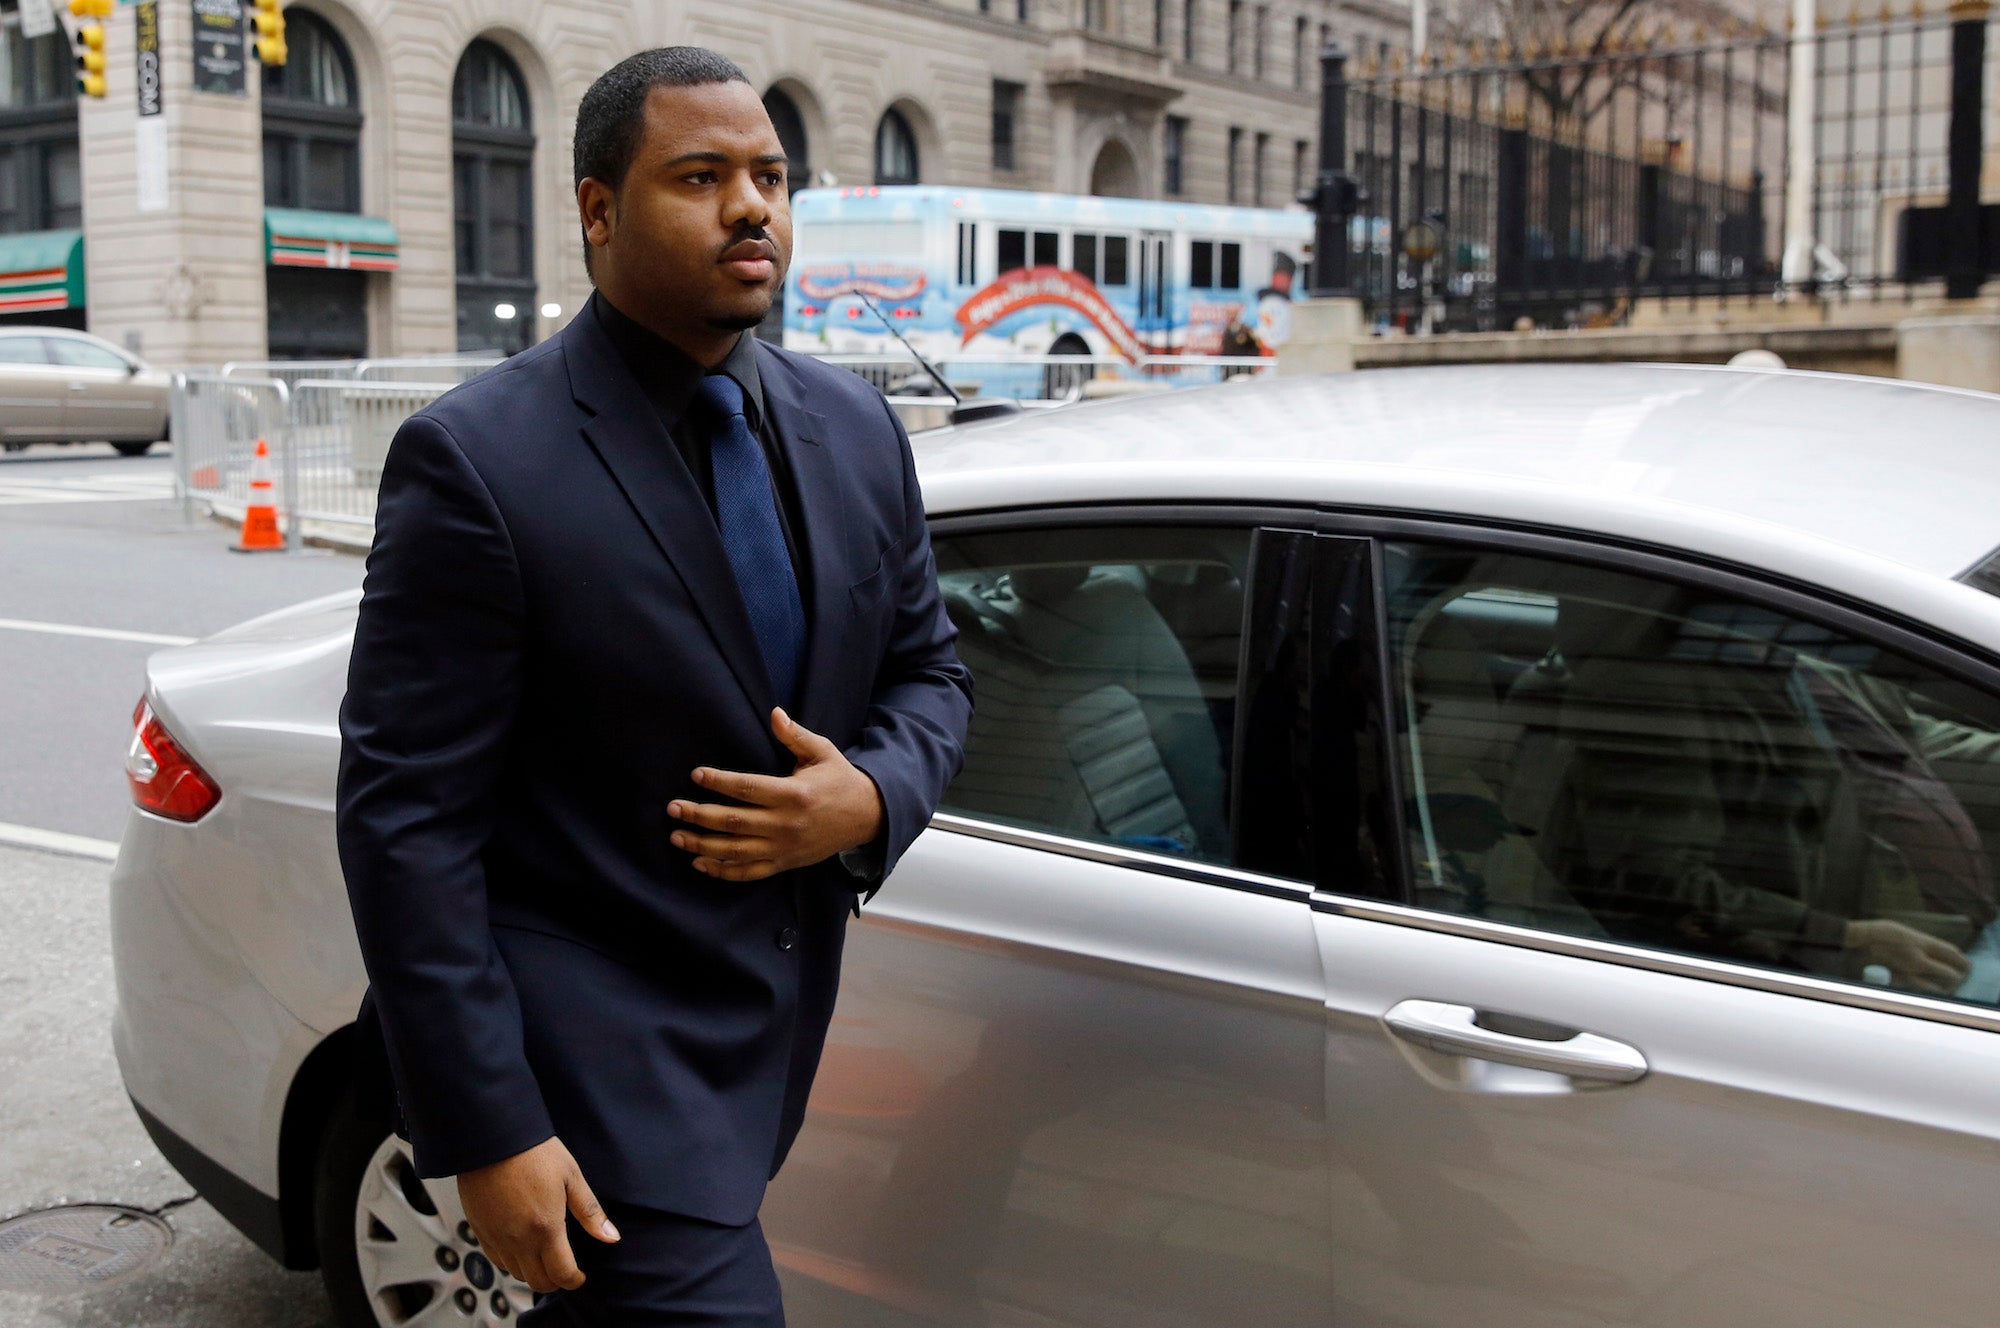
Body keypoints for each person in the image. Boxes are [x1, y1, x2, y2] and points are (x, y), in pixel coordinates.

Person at [335, 46, 972, 1326]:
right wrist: (487, 1126)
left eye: (770, 175)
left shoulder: (854, 429)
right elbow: (407, 821)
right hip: (591, 1063)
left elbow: (930, 671)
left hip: (771, 1042)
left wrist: (868, 798)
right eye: (702, 175)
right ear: (597, 210)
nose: (752, 206)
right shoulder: (476, 460)